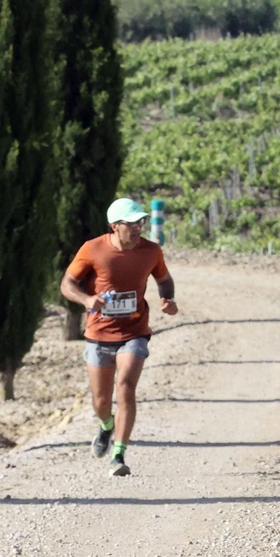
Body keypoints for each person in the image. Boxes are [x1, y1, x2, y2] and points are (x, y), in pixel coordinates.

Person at [60, 198, 178, 477]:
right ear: (115, 226)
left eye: (141, 222)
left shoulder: (151, 251)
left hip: (134, 332)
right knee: (101, 402)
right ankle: (105, 426)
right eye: (132, 223)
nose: (138, 228)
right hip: (99, 334)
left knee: (125, 386)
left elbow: (164, 279)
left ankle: (119, 453)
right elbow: (67, 284)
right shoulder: (92, 249)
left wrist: (167, 299)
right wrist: (87, 300)